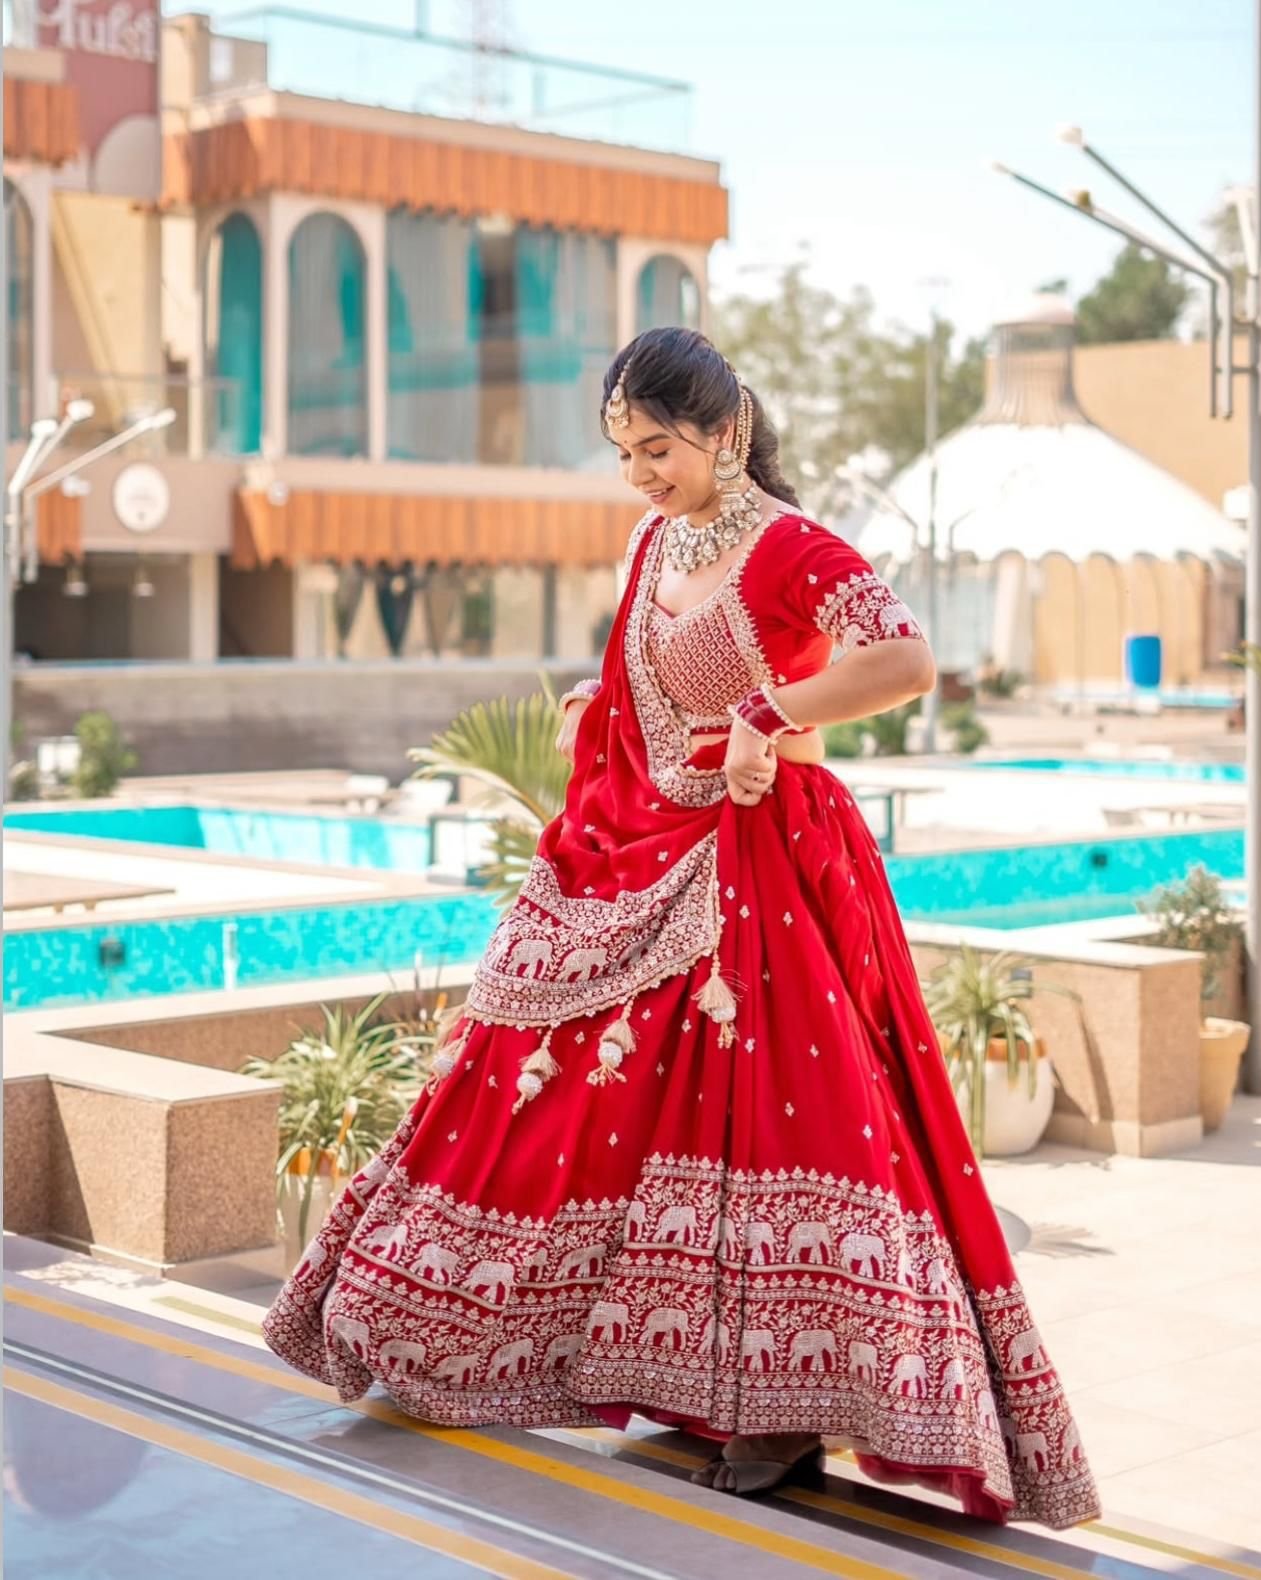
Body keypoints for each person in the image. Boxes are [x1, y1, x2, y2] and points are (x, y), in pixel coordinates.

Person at [263, 328, 1099, 1530]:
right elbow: (655, 690)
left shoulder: (793, 546)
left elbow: (905, 657)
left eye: (657, 447)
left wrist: (770, 709)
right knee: (592, 1102)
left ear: (727, 431)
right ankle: (630, 1360)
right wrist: (602, 708)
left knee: (776, 1130)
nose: (639, 474)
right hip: (645, 845)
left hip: (770, 865)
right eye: (624, 452)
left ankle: (779, 1403)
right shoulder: (652, 541)